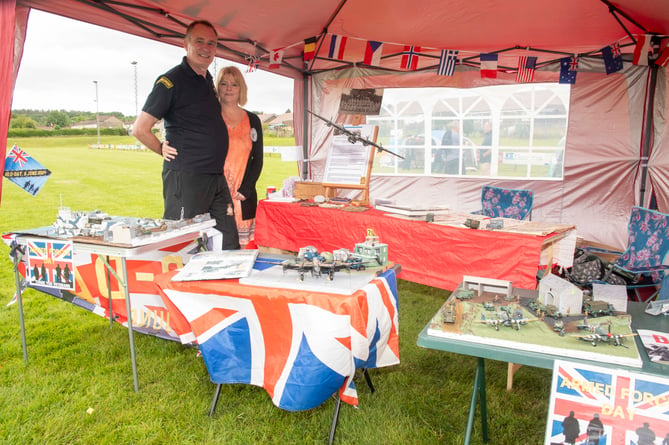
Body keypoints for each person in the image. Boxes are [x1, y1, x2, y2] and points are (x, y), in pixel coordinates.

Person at [133, 20, 236, 249]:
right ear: (186, 44)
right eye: (199, 41)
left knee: (227, 240)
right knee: (184, 243)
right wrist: (160, 148)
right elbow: (140, 129)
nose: (206, 47)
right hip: (187, 177)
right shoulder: (171, 81)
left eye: (212, 43)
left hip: (215, 177)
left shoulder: (207, 80)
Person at [215, 66, 263, 249]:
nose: (229, 88)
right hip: (216, 195)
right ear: (218, 87)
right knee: (219, 245)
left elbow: (257, 159)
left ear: (241, 88)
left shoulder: (253, 120)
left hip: (243, 195)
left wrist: (246, 189)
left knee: (243, 250)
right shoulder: (210, 117)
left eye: (234, 84)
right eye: (224, 84)